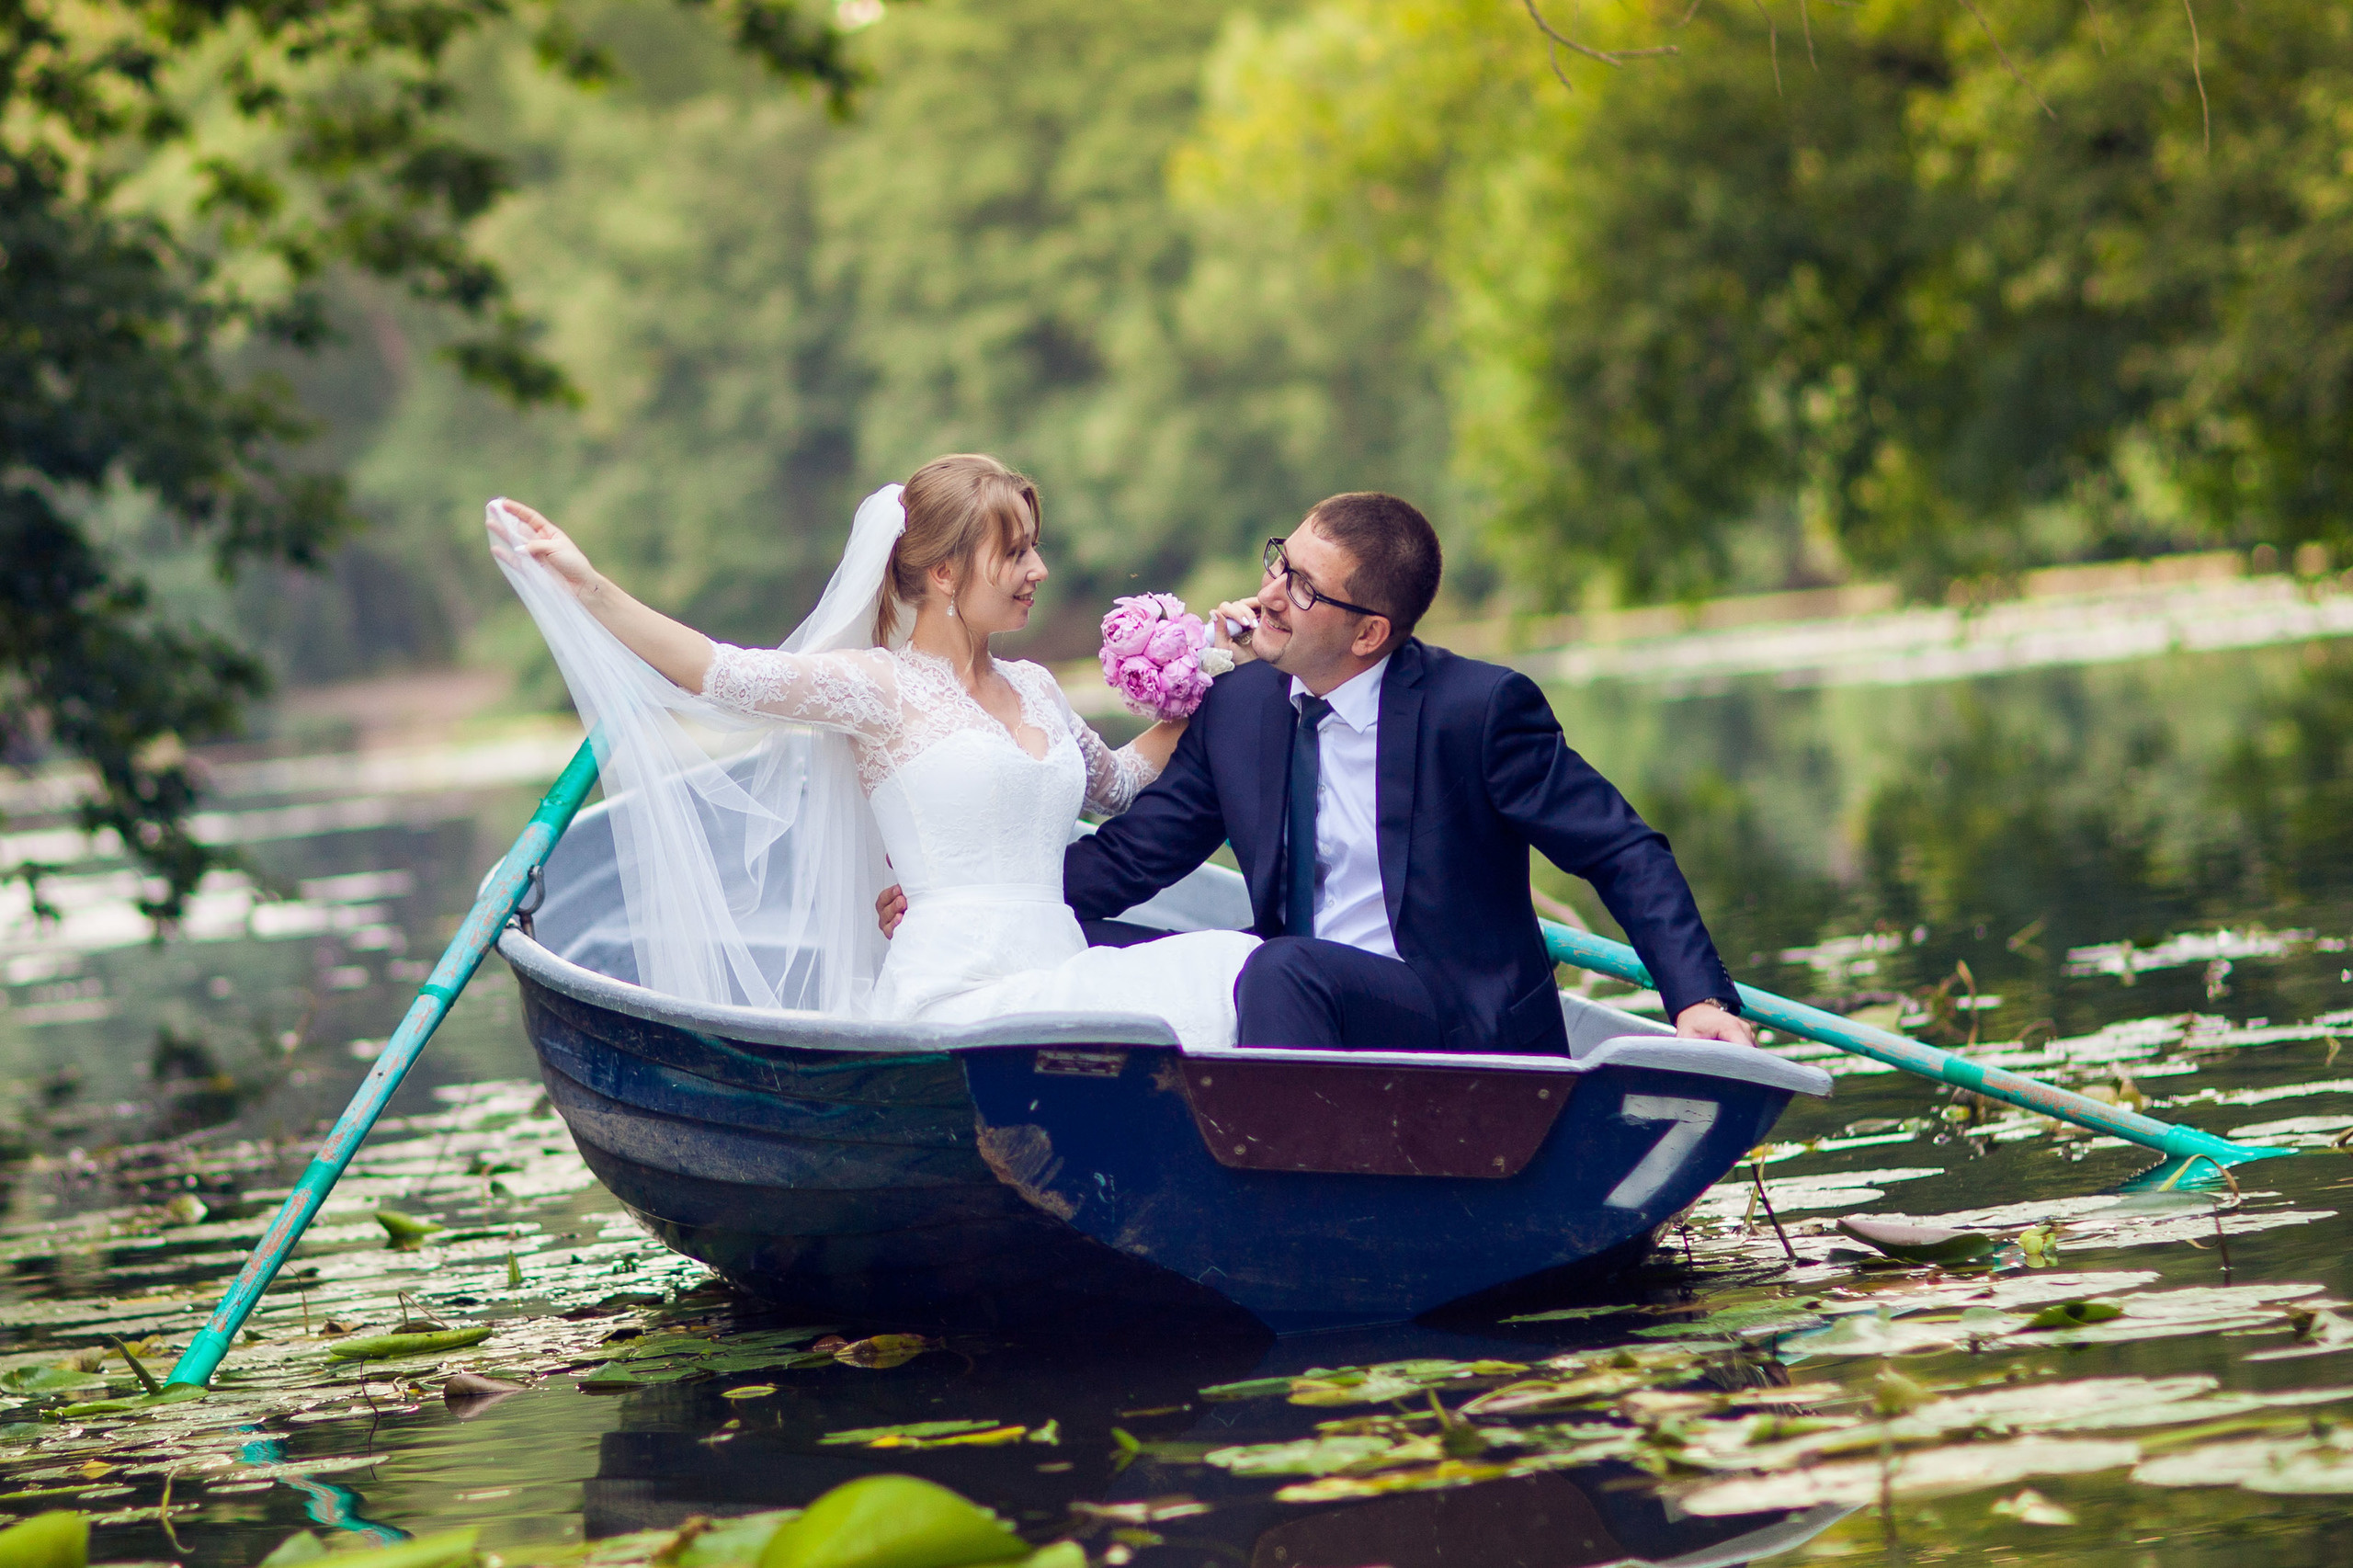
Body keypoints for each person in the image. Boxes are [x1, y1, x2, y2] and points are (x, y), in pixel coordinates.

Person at [885, 492, 1754, 1055]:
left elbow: (1620, 848)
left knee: (1276, 969)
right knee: (1081, 953)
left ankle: (1273, 1191)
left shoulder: (1479, 710)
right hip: (1298, 1000)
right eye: (1279, 562)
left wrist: (1697, 1001)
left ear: (1369, 633)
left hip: (1451, 1020)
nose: (1268, 593)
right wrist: (965, 903)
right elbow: (1127, 861)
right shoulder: (1242, 709)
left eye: (1302, 586)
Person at [488, 453, 1258, 1046]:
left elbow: (1119, 786)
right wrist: (590, 588)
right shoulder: (878, 688)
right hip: (953, 992)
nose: (1039, 571)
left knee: (1230, 966)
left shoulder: (1037, 688)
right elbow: (719, 671)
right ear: (945, 572)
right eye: (1016, 552)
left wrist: (1216, 670)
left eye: (1035, 548)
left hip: (1057, 967)